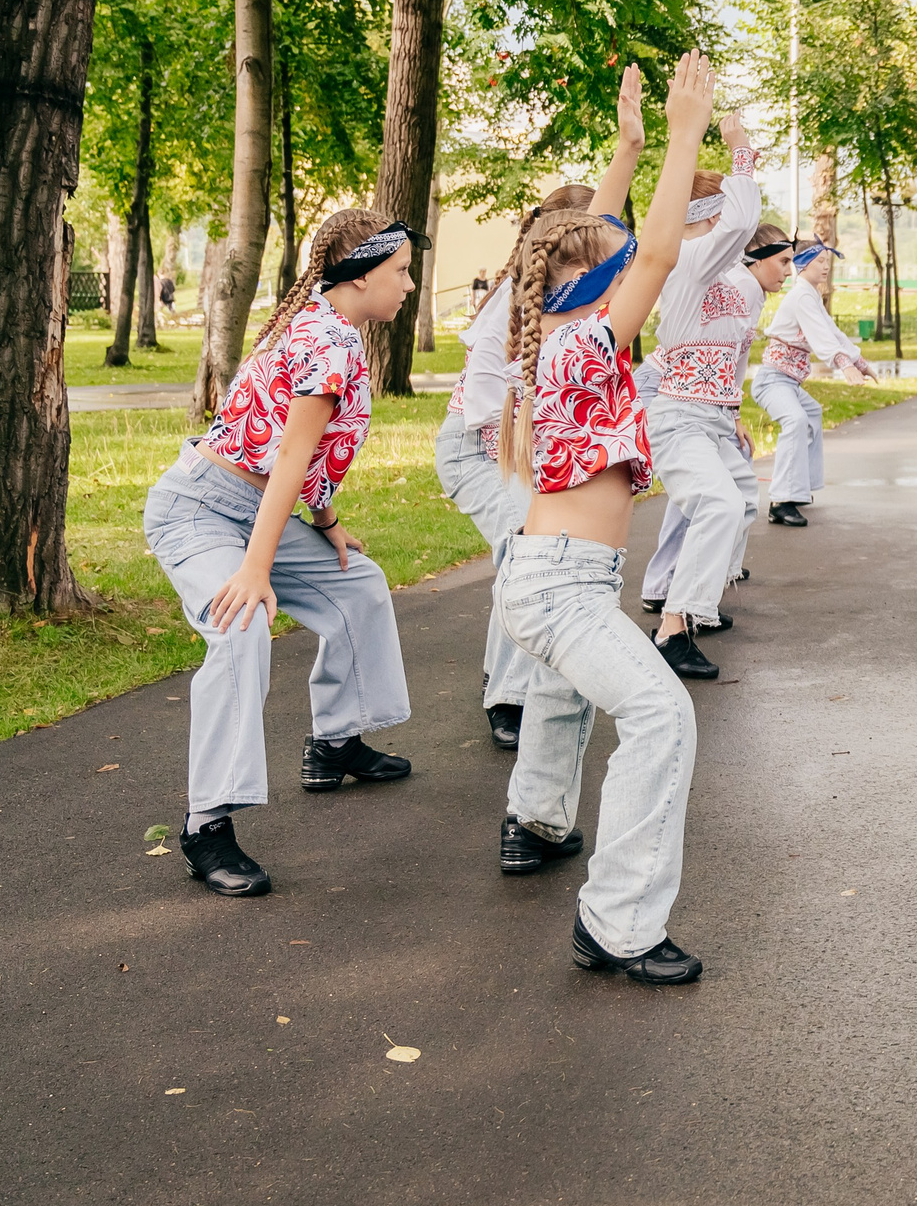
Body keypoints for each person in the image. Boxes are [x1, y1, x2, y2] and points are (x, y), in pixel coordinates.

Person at [492, 51, 715, 985]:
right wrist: (682, 136)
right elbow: (654, 250)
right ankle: (616, 924)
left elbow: (610, 235)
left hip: (562, 576)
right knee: (662, 716)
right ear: (579, 279)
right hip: (559, 584)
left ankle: (537, 821)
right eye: (604, 253)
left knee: (580, 698)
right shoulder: (583, 340)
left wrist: (625, 149)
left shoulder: (562, 336)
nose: (623, 253)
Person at [144, 207, 421, 898]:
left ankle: (335, 740)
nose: (410, 285)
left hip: (251, 510)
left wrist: (328, 524)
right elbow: (293, 456)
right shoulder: (330, 340)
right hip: (199, 510)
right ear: (359, 277)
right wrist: (256, 569)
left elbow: (307, 460)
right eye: (401, 272)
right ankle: (205, 824)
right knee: (241, 625)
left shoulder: (336, 330)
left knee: (357, 582)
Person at [442, 173, 619, 749]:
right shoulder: (516, 301)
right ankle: (509, 697)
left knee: (535, 549)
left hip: (513, 447)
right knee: (528, 549)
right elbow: (481, 408)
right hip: (479, 449)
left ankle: (511, 678)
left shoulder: (570, 299)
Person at [643, 128, 777, 680]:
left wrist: (735, 412)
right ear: (708, 214)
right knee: (719, 504)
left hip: (714, 417)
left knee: (742, 500)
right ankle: (672, 628)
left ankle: (693, 606)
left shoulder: (738, 283)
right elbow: (744, 222)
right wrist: (740, 150)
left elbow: (737, 350)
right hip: (675, 414)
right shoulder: (686, 259)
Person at [752, 239, 876, 526]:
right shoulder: (801, 297)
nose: (826, 266)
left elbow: (832, 332)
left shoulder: (810, 296)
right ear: (803, 264)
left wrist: (860, 363)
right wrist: (843, 365)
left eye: (827, 261)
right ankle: (780, 501)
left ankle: (797, 490)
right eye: (820, 261)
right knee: (795, 420)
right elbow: (821, 337)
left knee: (811, 414)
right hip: (772, 381)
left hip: (788, 383)